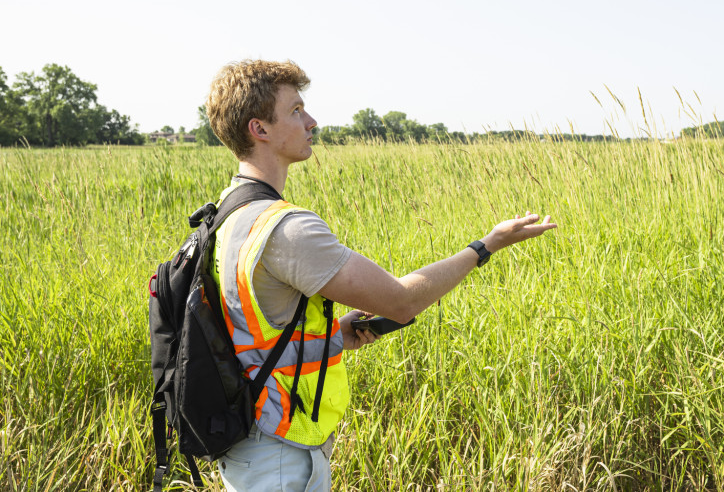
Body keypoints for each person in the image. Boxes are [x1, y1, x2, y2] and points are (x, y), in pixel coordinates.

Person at [204, 59, 557, 491]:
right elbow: (401, 302)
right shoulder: (285, 228)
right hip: (279, 451)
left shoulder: (226, 213)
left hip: (250, 443)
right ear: (259, 129)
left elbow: (252, 333)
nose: (311, 120)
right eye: (296, 110)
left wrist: (334, 333)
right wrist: (485, 247)